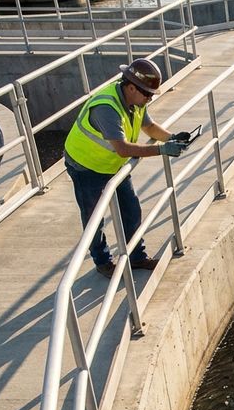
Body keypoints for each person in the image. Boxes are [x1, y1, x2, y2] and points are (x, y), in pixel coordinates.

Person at [64, 58, 194, 278]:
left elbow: (149, 127)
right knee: (94, 216)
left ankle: (136, 256)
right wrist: (162, 150)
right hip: (86, 166)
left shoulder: (136, 102)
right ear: (131, 87)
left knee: (131, 208)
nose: (149, 98)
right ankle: (102, 261)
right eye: (147, 94)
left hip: (112, 164)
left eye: (152, 95)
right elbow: (123, 148)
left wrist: (172, 137)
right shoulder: (107, 108)